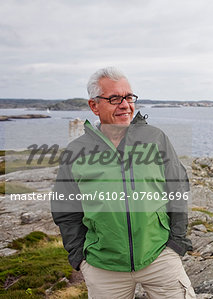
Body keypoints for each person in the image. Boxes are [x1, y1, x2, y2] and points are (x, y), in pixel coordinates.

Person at [51, 67, 196, 299]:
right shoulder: (76, 151)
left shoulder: (156, 139)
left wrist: (176, 242)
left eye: (129, 97)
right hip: (103, 266)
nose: (125, 105)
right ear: (94, 106)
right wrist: (79, 256)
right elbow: (65, 208)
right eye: (115, 98)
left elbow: (177, 188)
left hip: (159, 256)